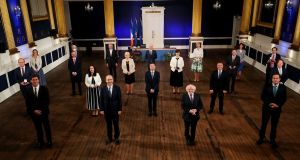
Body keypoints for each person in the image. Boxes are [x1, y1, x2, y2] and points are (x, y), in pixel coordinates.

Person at [256, 73, 287, 149]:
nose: (275, 79)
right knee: (264, 124)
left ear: (279, 79)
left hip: (277, 109)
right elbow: (263, 97)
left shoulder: (283, 88)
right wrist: (269, 103)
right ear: (272, 79)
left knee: (274, 125)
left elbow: (284, 99)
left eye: (277, 78)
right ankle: (261, 138)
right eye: (274, 78)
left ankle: (272, 140)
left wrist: (278, 105)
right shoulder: (267, 86)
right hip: (267, 108)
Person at [25, 74, 52, 148]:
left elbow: (47, 101)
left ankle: (49, 142)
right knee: (38, 128)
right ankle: (41, 142)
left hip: (44, 112)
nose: (35, 81)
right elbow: (28, 103)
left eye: (36, 79)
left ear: (39, 80)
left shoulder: (44, 89)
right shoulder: (28, 90)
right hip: (34, 114)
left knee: (47, 128)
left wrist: (41, 110)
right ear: (31, 81)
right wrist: (34, 110)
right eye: (33, 80)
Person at [100, 75, 122, 145]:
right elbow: (101, 100)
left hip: (115, 110)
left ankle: (117, 138)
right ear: (106, 80)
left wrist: (119, 109)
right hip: (107, 110)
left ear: (113, 80)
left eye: (111, 79)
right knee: (108, 125)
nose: (109, 81)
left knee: (116, 125)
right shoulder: (103, 89)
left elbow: (119, 100)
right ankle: (109, 138)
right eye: (108, 80)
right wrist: (101, 109)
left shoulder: (117, 88)